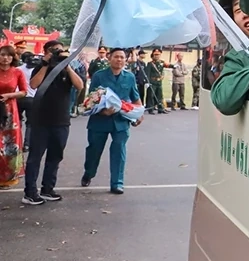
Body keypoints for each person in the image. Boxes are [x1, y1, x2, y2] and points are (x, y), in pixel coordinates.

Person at [23, 41, 84, 205]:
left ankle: (47, 189)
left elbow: (80, 86)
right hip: (40, 120)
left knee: (55, 157)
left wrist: (67, 65)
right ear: (46, 51)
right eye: (54, 50)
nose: (57, 53)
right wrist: (45, 63)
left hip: (61, 121)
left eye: (60, 50)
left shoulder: (67, 69)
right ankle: (30, 192)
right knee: (35, 158)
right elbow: (34, 84)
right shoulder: (41, 66)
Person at [82, 47, 143, 194]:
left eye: (122, 57)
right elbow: (92, 99)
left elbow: (135, 97)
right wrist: (103, 111)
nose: (119, 60)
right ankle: (89, 173)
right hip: (100, 120)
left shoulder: (129, 77)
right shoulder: (99, 76)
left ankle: (117, 183)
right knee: (94, 151)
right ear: (109, 58)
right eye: (116, 57)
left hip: (121, 121)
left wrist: (138, 113)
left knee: (119, 151)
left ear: (126, 60)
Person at [0, 44, 29, 188]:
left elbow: (24, 91)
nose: (5, 58)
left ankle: (8, 177)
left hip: (10, 111)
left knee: (10, 144)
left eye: (9, 55)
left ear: (13, 57)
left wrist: (9, 95)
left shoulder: (17, 72)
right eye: (3, 54)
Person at [145, 48, 167, 113]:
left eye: (158, 55)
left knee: (160, 96)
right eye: (155, 55)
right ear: (153, 55)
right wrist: (147, 82)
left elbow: (168, 65)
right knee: (151, 96)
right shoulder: (150, 64)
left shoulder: (161, 63)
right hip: (152, 81)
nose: (157, 56)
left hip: (159, 82)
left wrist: (174, 66)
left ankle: (160, 109)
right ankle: (150, 109)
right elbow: (147, 73)